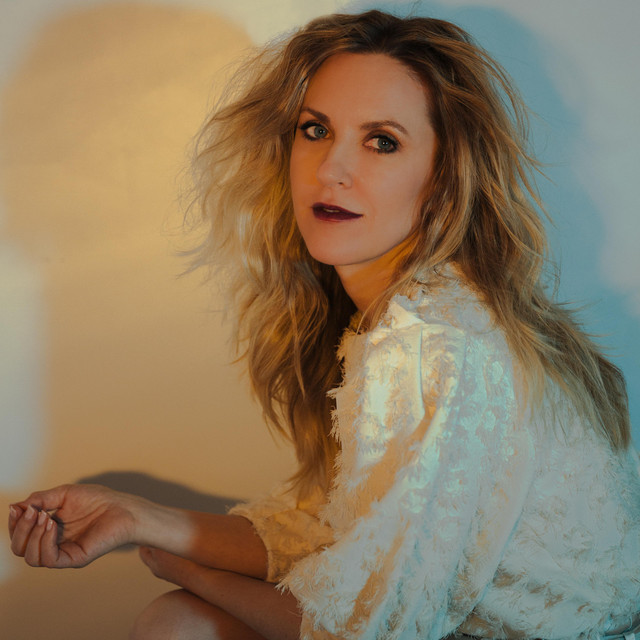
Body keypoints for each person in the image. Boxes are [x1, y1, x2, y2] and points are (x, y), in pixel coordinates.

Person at [7, 9, 640, 640]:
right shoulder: (410, 309)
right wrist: (136, 516)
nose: (331, 168)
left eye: (382, 141)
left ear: (444, 179)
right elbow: (339, 535)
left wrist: (195, 574)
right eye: (315, 130)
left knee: (178, 622)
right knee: (180, 623)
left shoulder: (430, 343)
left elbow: (370, 630)